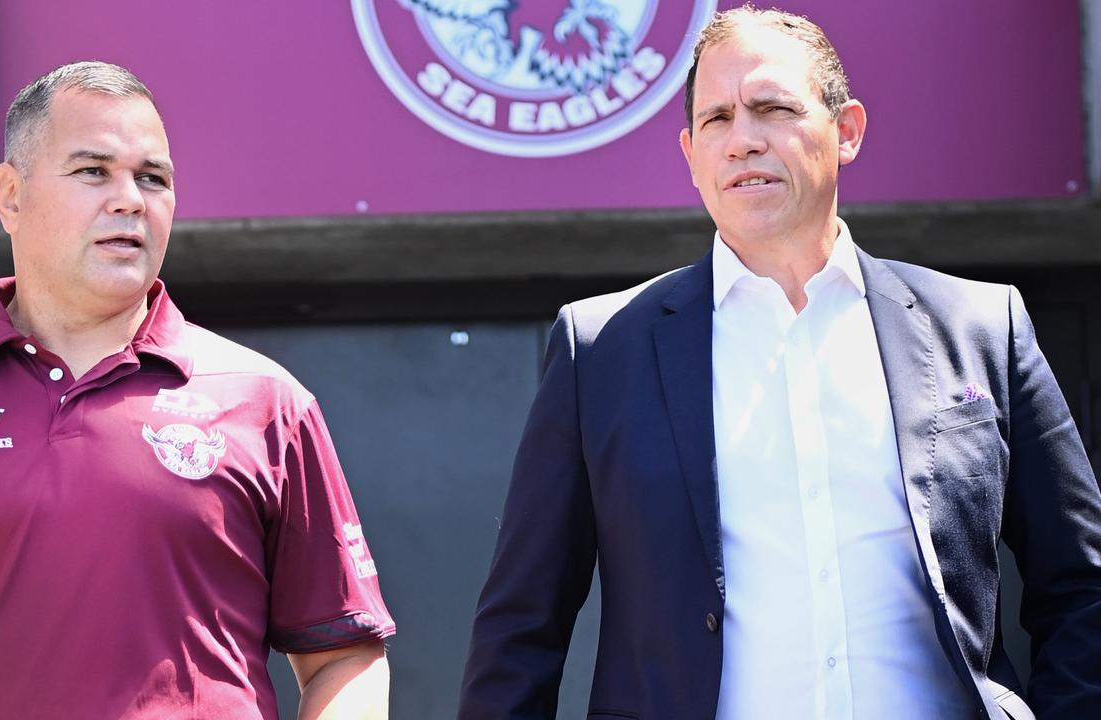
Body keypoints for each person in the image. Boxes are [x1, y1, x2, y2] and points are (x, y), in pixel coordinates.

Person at [458, 6, 1101, 719]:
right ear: (691, 153)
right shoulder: (600, 349)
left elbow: (1082, 585)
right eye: (717, 120)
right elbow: (521, 629)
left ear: (846, 130)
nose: (743, 141)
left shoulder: (980, 327)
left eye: (772, 109)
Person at [0, 61, 394, 720]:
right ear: (10, 196)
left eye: (153, 178)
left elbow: (344, 655)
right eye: (93, 171)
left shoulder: (269, 404)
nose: (130, 199)